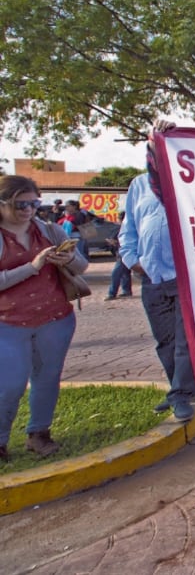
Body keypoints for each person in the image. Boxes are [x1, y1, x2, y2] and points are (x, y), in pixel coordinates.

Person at [0, 175, 88, 462]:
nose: (28, 209)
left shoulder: (48, 230)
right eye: (20, 204)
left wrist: (67, 260)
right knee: (10, 383)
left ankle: (39, 433)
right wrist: (32, 266)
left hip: (55, 317)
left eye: (34, 202)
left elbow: (82, 266)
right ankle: (1, 440)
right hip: (9, 321)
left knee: (48, 377)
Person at [119, 120, 195, 421]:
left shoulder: (190, 182)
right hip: (152, 277)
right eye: (156, 144)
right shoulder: (140, 185)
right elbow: (129, 230)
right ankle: (179, 389)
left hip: (184, 277)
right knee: (164, 340)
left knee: (184, 340)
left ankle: (179, 394)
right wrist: (131, 259)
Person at [105, 212, 133, 301]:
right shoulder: (129, 227)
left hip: (124, 253)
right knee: (125, 272)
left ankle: (112, 293)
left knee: (116, 273)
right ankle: (126, 290)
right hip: (125, 252)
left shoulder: (125, 228)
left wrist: (115, 242)